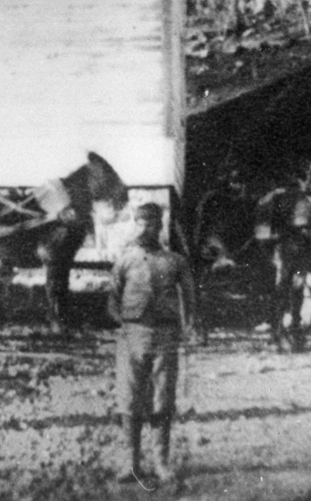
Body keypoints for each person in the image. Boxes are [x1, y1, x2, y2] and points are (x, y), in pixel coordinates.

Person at [108, 202, 198, 488]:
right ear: (134, 224)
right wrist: (125, 323)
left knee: (162, 400)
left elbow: (190, 299)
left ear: (161, 226)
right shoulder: (125, 260)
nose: (145, 228)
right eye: (140, 223)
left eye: (151, 223)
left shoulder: (175, 261)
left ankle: (161, 462)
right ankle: (131, 463)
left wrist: (187, 327)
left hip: (165, 338)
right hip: (132, 336)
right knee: (130, 399)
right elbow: (112, 299)